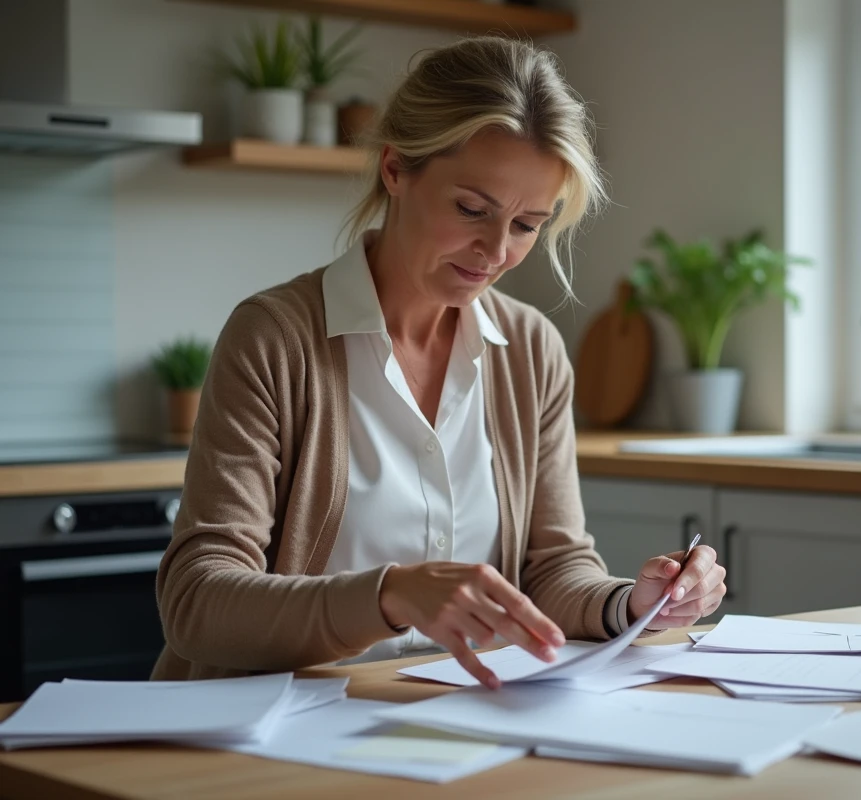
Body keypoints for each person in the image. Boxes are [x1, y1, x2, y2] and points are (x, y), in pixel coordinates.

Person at [152, 36, 726, 689]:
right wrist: (390, 595)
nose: (496, 250)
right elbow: (196, 602)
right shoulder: (274, 339)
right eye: (472, 210)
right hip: (282, 729)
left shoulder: (532, 351)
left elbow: (554, 568)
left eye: (527, 224)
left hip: (454, 722)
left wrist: (634, 603)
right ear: (396, 169)